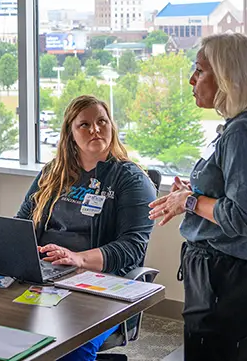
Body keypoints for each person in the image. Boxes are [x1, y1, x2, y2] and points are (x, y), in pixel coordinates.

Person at [149, 33, 247, 361]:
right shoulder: (245, 126)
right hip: (236, 275)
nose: (191, 80)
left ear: (229, 76)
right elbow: (232, 195)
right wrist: (193, 195)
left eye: (200, 70)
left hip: (231, 281)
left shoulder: (244, 134)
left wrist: (190, 202)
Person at [16, 95, 155, 361]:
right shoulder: (52, 174)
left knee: (69, 349)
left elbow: (133, 247)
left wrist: (77, 258)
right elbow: (22, 222)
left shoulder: (130, 179)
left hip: (100, 284)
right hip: (45, 275)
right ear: (70, 133)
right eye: (85, 125)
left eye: (102, 121)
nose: (95, 129)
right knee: (2, 329)